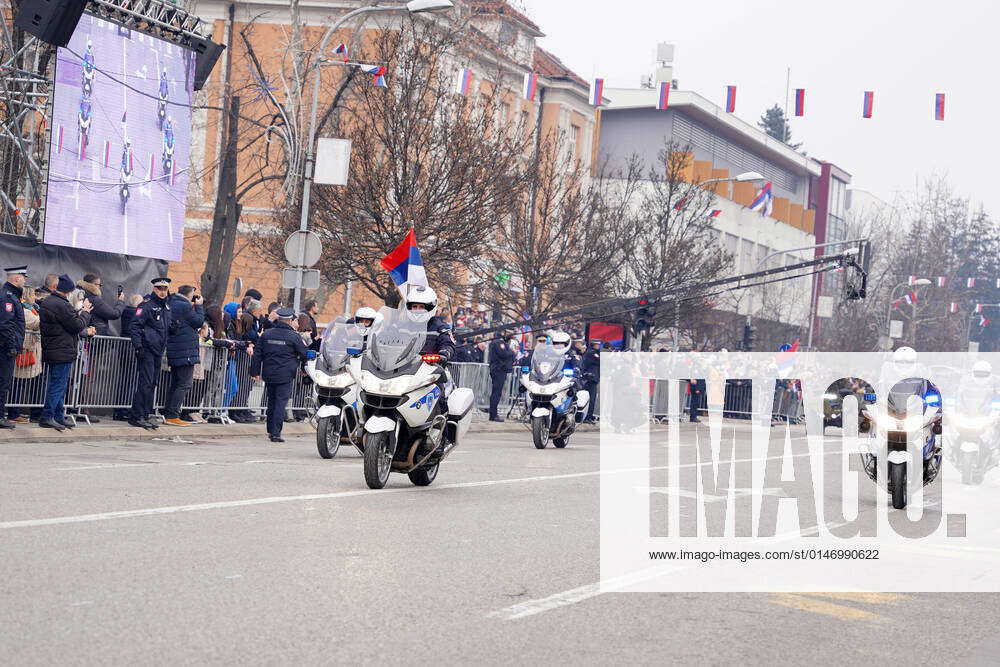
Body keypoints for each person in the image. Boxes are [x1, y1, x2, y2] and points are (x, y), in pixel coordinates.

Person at [39, 274, 93, 430]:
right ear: (68, 291)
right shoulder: (62, 305)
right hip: (61, 349)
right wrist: (85, 312)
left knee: (59, 384)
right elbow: (76, 326)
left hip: (53, 348)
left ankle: (58, 416)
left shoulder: (49, 301)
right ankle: (47, 416)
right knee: (58, 385)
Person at [250, 307, 312, 442]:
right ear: (290, 321)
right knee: (280, 403)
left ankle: (270, 430)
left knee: (271, 401)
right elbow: (304, 354)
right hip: (286, 375)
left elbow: (257, 354)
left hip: (269, 373)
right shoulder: (294, 337)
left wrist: (254, 372)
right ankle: (276, 433)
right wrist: (304, 369)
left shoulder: (267, 334)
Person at [128, 278, 172, 430]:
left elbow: (163, 328)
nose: (162, 292)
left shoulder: (166, 307)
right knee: (145, 383)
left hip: (158, 350)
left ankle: (145, 414)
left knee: (152, 383)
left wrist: (174, 329)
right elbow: (134, 326)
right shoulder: (146, 305)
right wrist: (138, 346)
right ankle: (136, 415)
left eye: (165, 289)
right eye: (159, 288)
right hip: (147, 349)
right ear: (154, 289)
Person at [163, 285, 205, 426]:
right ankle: (173, 415)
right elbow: (198, 322)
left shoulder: (172, 302)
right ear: (189, 294)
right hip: (185, 351)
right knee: (184, 384)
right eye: (193, 294)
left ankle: (168, 413)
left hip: (175, 349)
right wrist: (199, 307)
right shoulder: (185, 306)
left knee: (175, 383)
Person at [0, 266, 28, 428]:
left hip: (7, 346)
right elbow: (5, 324)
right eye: (24, 278)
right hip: (5, 347)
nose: (25, 281)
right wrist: (11, 345)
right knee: (3, 383)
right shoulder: (8, 297)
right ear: (17, 278)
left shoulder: (12, 296)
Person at [9, 286, 42, 423]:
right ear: (28, 295)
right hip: (26, 351)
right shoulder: (25, 310)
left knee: (26, 383)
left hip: (31, 352)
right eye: (33, 294)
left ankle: (28, 412)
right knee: (18, 383)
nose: (35, 297)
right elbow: (35, 323)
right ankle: (13, 413)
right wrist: (47, 314)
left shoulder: (32, 308)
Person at [487, 335, 516, 422]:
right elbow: (503, 354)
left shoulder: (497, 343)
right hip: (499, 370)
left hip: (499, 369)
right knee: (496, 393)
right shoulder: (499, 343)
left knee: (497, 393)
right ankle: (493, 415)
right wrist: (512, 352)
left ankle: (493, 414)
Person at [581, 340, 602, 424]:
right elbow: (600, 361)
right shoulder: (592, 353)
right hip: (590, 379)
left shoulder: (594, 352)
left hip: (593, 378)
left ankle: (589, 416)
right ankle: (587, 417)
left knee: (592, 399)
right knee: (590, 399)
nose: (598, 346)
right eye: (597, 344)